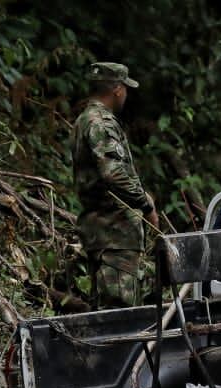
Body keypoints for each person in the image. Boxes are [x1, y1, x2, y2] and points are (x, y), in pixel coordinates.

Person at [72, 61, 157, 309]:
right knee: (121, 313)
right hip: (115, 236)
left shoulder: (85, 120)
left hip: (104, 234)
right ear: (118, 89)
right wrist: (145, 204)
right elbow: (114, 174)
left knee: (109, 311)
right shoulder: (101, 123)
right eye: (126, 88)